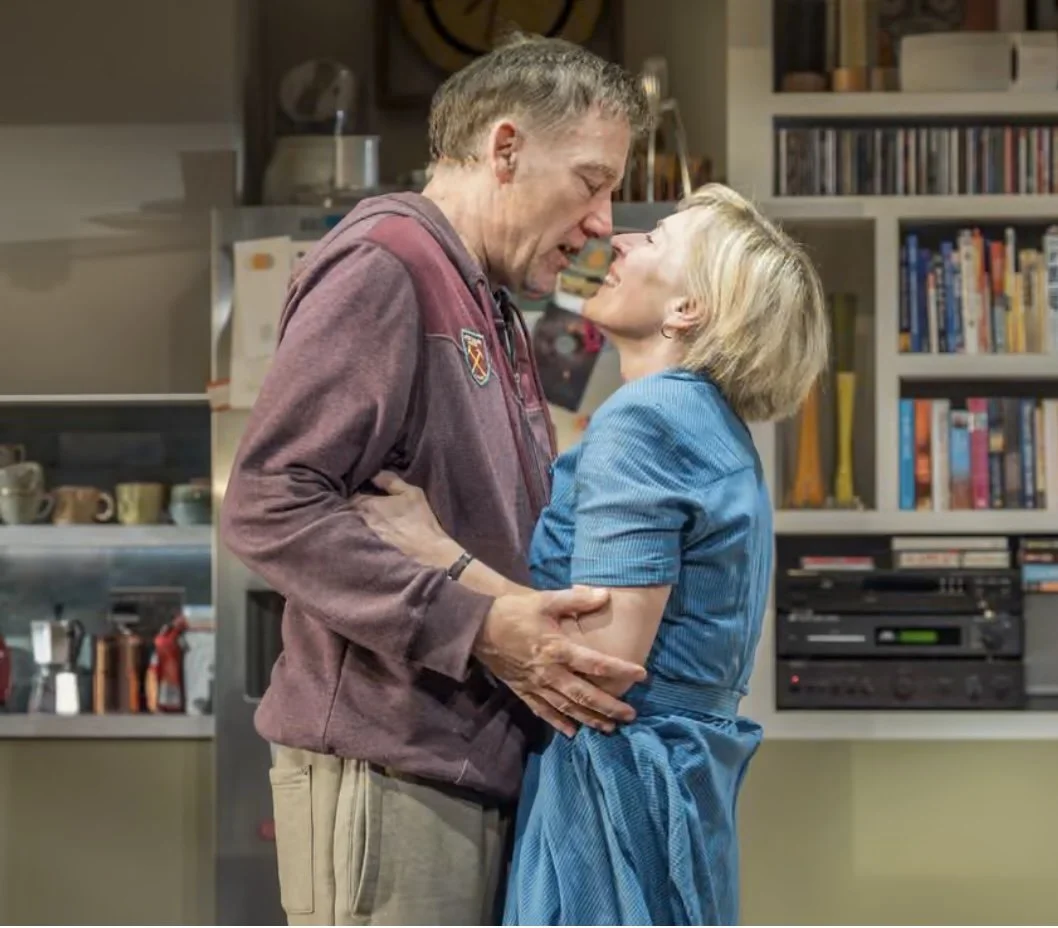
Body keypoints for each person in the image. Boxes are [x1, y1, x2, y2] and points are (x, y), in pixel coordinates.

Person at [219, 34, 651, 927]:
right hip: (391, 771)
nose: (603, 221)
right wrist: (476, 624)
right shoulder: (386, 265)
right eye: (591, 182)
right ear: (505, 149)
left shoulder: (488, 298)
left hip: (460, 768)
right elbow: (269, 502)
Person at [351, 184, 831, 926]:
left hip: (614, 797)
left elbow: (601, 661)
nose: (622, 239)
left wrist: (438, 553)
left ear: (688, 309)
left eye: (657, 239)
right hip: (676, 785)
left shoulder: (649, 418)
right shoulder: (714, 426)